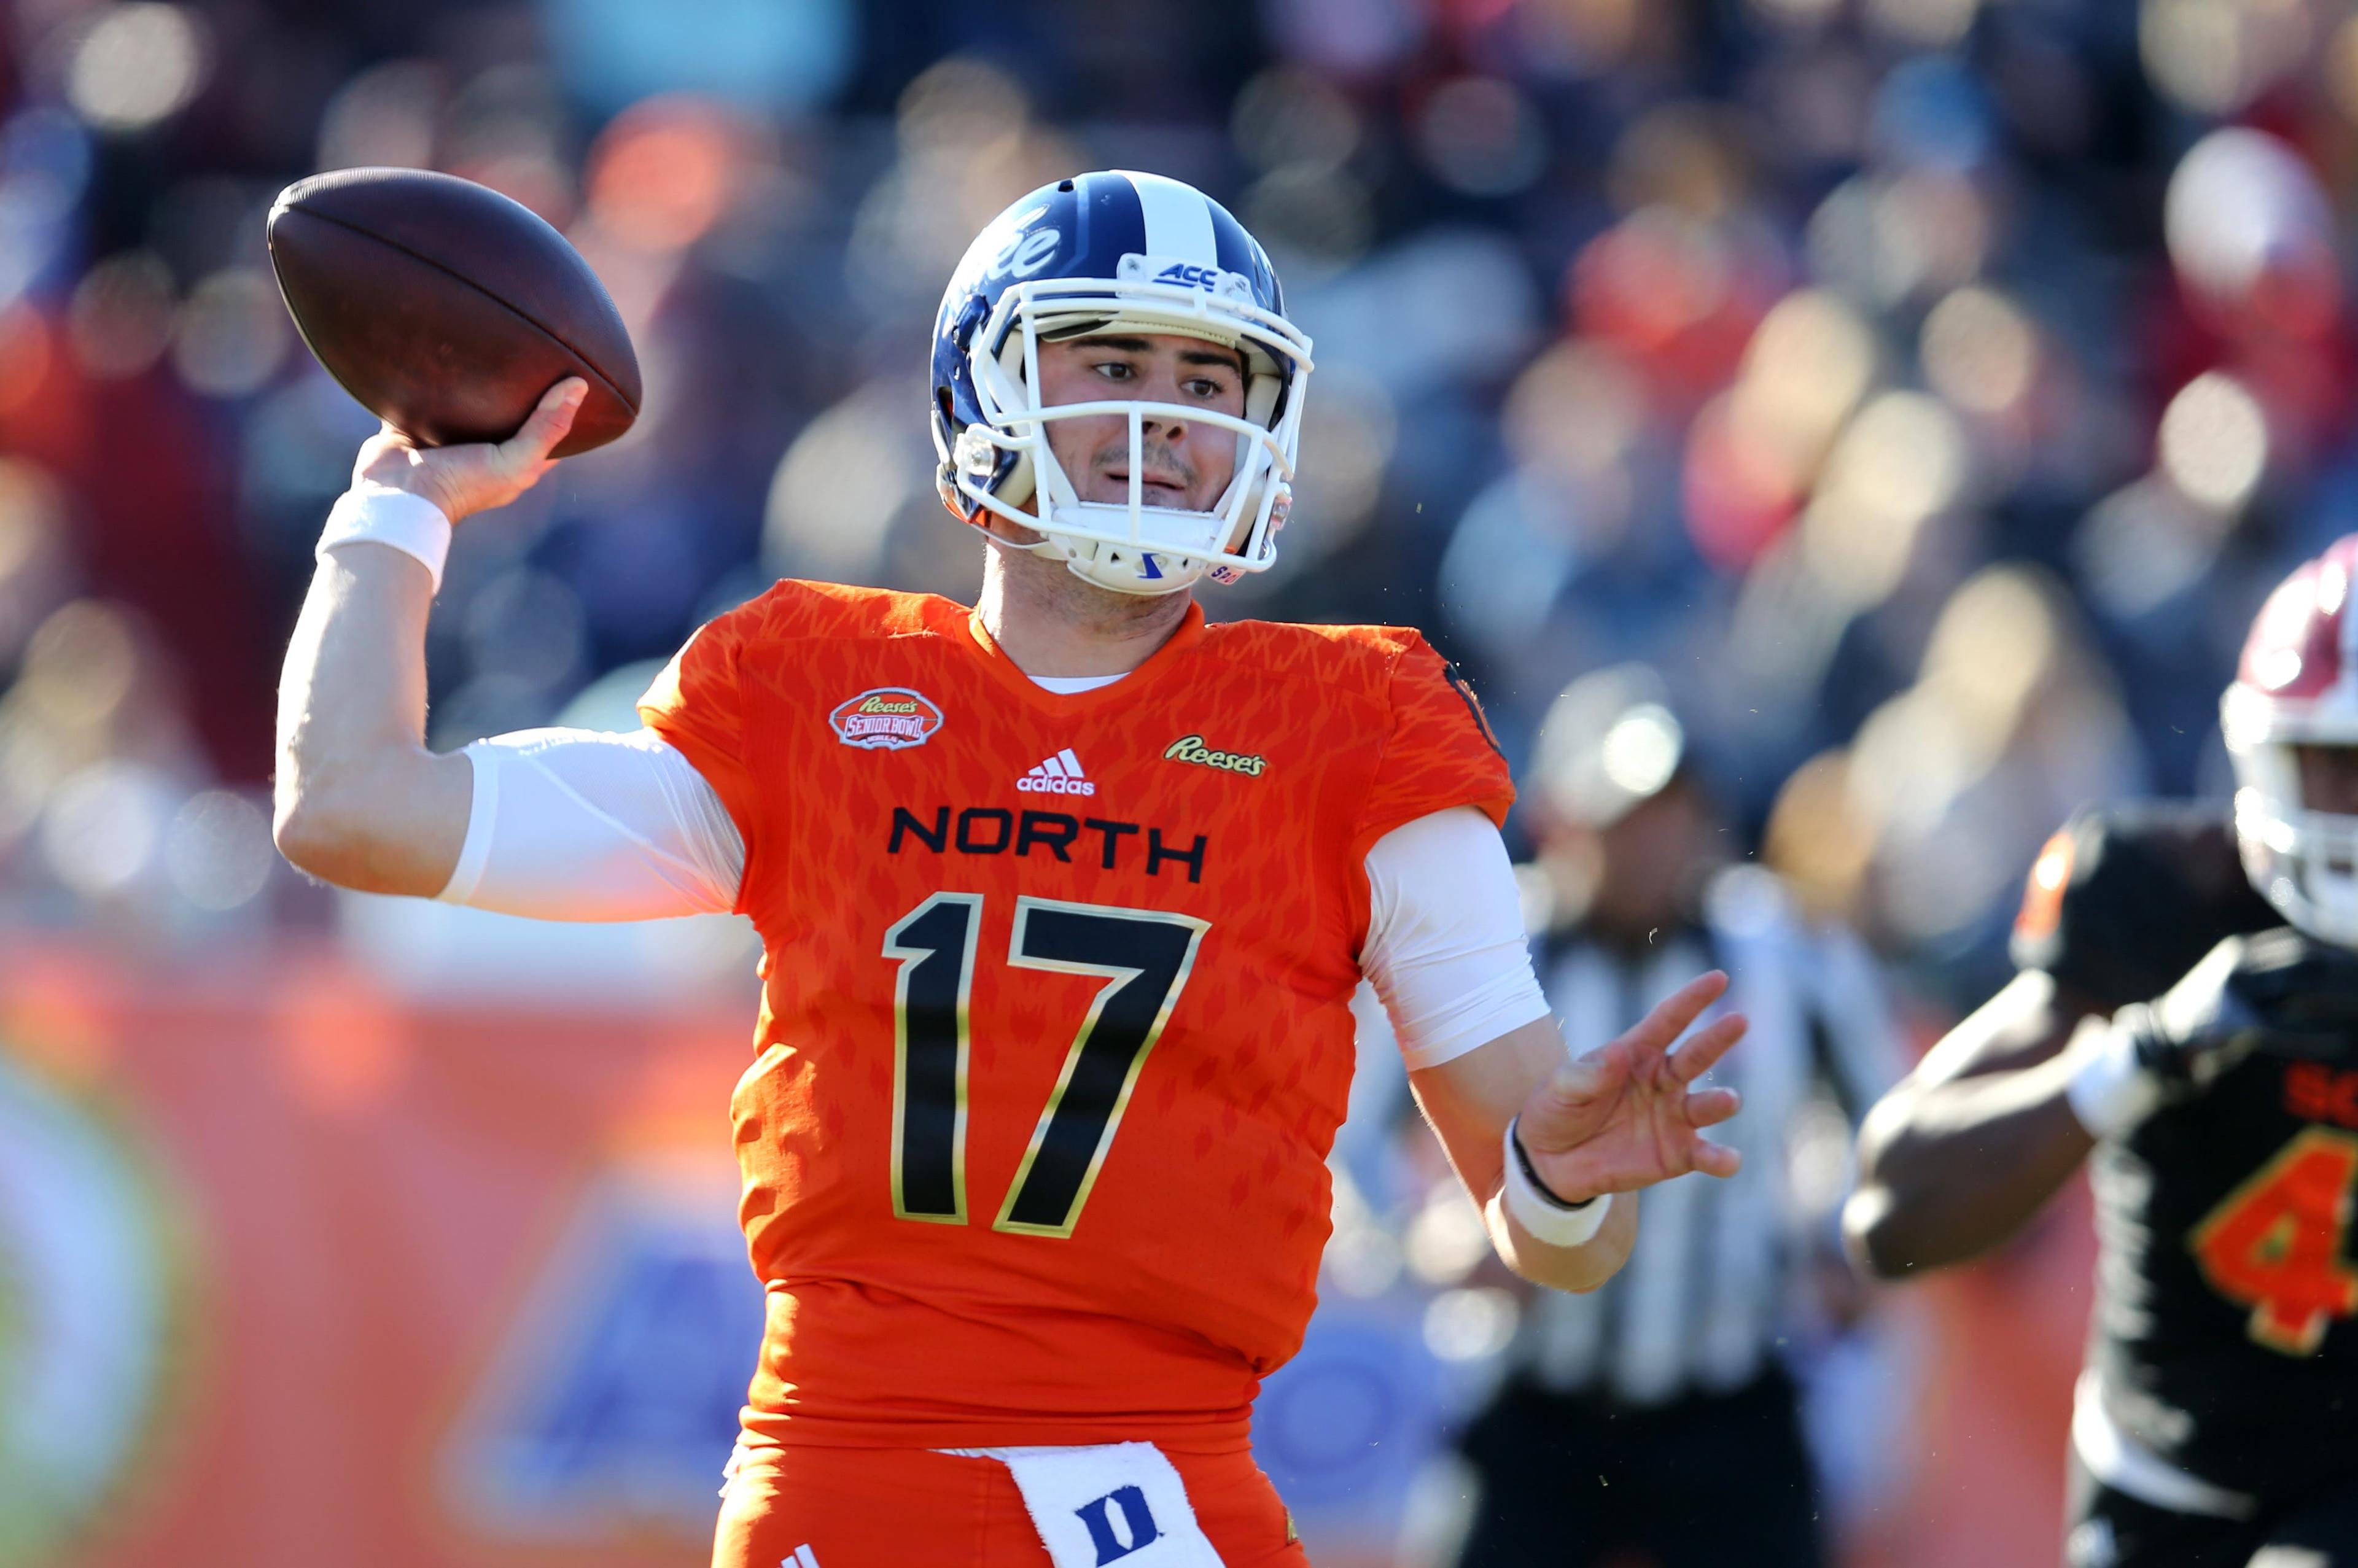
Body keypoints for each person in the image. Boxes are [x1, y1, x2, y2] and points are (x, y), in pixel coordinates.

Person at [271, 171, 1749, 1568]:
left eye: (1209, 382)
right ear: (987, 388)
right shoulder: (817, 691)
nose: (1167, 418)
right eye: (1111, 362)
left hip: (1165, 1481)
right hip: (846, 1469)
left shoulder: (1356, 727)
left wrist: (1556, 1178)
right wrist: (402, 499)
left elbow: (1566, 1246)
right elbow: (350, 806)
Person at [1844, 537, 2358, 1567]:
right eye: (2337, 763)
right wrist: (2142, 1056)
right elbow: (1891, 1213)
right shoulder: (2165, 903)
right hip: (2162, 1491)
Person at [1447, 666, 1898, 1568]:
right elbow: (1352, 1129)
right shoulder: (1486, 944)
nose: (1654, 840)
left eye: (1675, 811)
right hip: (1536, 1402)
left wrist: (1837, 1228)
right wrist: (1430, 1242)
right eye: (1626, 815)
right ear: (1560, 817)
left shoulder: (1788, 948)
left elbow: (1884, 1111)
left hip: (1732, 1400)